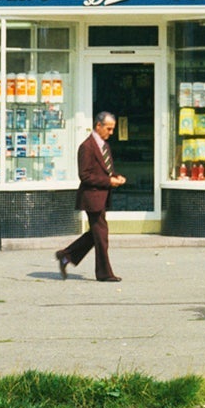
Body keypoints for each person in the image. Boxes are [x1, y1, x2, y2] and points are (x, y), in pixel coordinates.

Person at [56, 110, 127, 281]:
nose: (111, 133)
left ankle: (66, 255)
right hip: (91, 197)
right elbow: (85, 175)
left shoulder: (104, 145)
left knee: (95, 234)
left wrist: (115, 176)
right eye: (108, 129)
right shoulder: (87, 147)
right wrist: (109, 182)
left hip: (101, 197)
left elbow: (105, 169)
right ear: (98, 126)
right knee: (101, 236)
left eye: (112, 129)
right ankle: (104, 273)